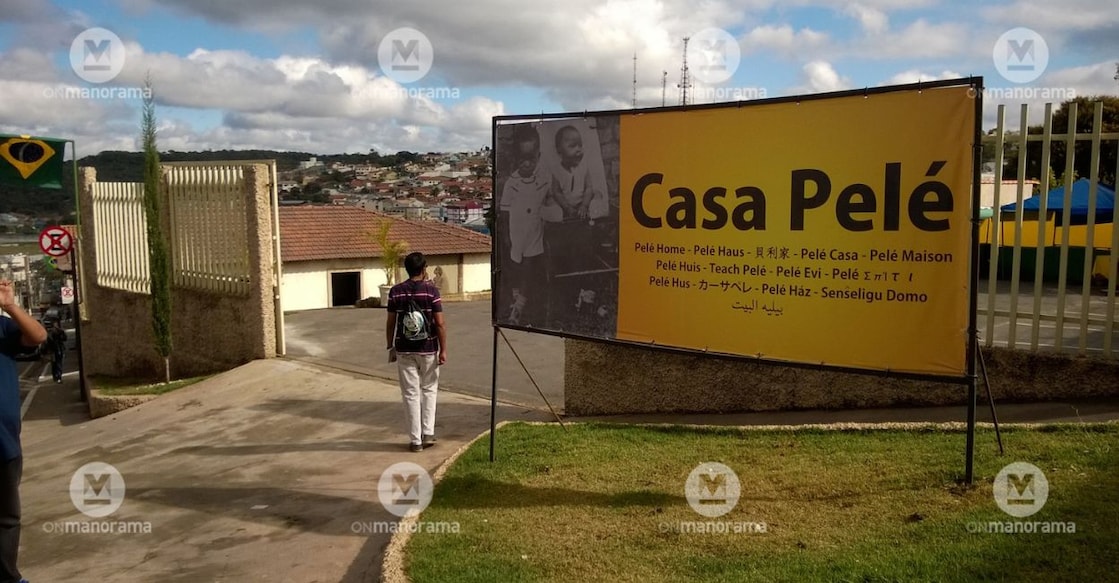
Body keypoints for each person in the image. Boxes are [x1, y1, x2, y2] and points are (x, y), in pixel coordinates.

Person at [0, 280, 47, 583]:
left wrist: (10, 306)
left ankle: (7, 576)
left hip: (3, 445)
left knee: (6, 518)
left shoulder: (2, 327)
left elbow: (38, 336)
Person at [385, 253, 447, 452]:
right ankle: (428, 433)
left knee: (410, 394)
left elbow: (391, 321)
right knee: (429, 389)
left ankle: (415, 441)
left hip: (404, 349)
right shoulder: (431, 291)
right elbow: (439, 323)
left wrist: (390, 344)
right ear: (424, 268)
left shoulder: (396, 291)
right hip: (428, 348)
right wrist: (443, 349)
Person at [500, 125, 559, 326]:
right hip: (517, 232)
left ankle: (519, 307)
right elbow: (506, 211)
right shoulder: (512, 183)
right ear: (516, 159)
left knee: (528, 267)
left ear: (538, 156)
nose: (526, 164)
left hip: (534, 232)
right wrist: (508, 236)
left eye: (531, 159)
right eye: (522, 159)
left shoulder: (543, 179)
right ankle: (516, 300)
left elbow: (550, 199)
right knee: (516, 267)